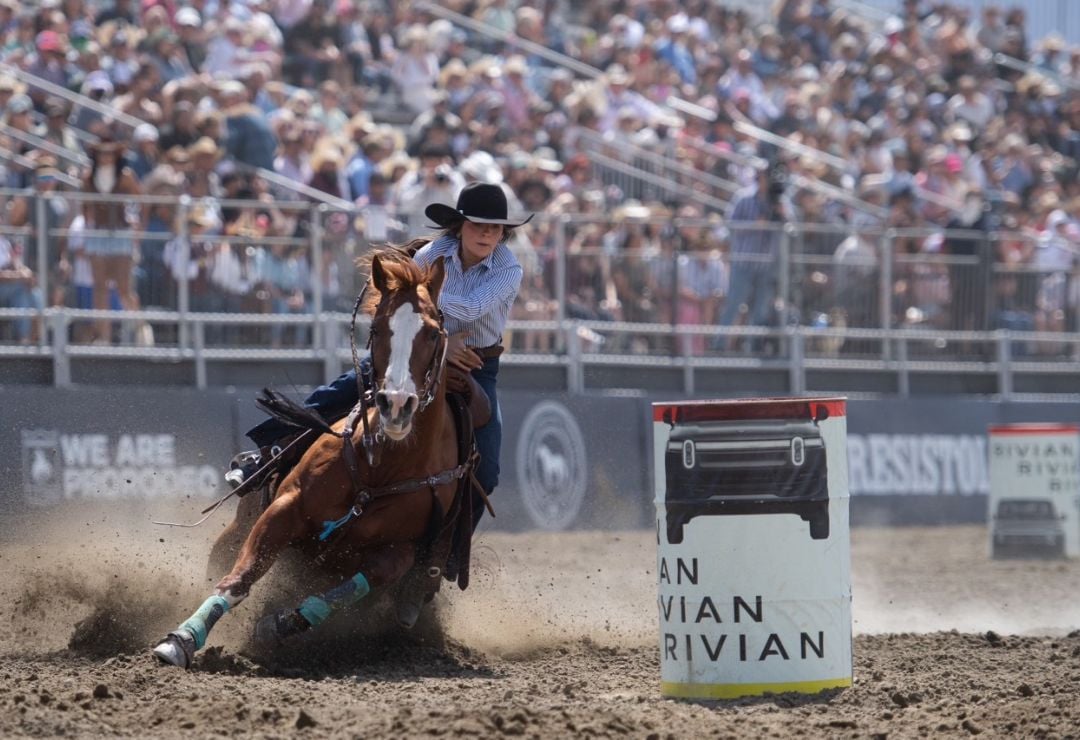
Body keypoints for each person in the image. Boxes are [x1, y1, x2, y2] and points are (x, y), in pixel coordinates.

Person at [229, 181, 531, 620]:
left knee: (489, 466)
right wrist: (417, 315)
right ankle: (266, 456)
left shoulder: (508, 268)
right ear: (460, 226)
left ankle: (436, 559)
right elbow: (419, 303)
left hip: (475, 365)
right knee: (340, 392)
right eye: (479, 226)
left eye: (496, 228)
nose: (488, 235)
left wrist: (418, 304)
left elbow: (466, 309)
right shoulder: (432, 255)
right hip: (420, 349)